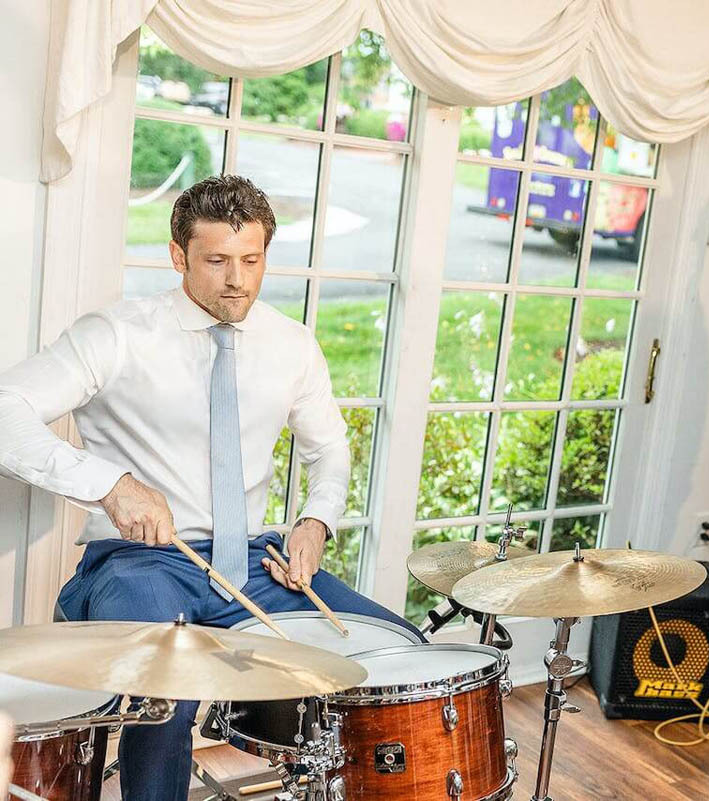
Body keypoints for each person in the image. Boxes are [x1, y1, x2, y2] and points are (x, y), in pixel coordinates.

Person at [0, 175, 422, 801]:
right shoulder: (115, 334)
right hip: (141, 564)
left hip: (255, 564)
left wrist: (315, 521)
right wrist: (110, 485)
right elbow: (6, 409)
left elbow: (329, 448)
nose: (238, 280)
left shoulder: (292, 344)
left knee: (400, 659)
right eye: (217, 261)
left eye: (251, 261)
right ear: (179, 256)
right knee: (164, 697)